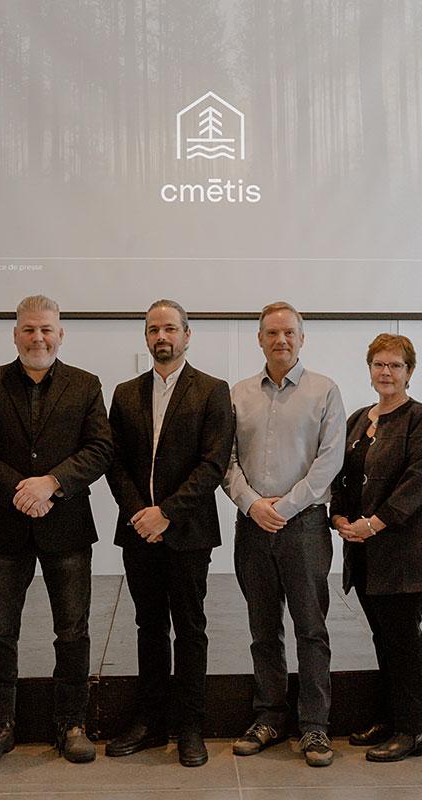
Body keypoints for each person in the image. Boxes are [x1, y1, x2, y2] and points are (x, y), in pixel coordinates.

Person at [0, 295, 112, 767]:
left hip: (65, 526)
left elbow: (100, 449)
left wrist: (52, 483)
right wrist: (19, 490)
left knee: (72, 631)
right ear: (15, 334)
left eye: (46, 329)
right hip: (6, 526)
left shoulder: (86, 385)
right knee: (0, 630)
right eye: (29, 329)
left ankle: (72, 724)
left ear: (60, 333)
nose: (38, 337)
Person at [104, 299, 235, 767]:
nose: (163, 336)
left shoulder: (213, 391)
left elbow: (213, 463)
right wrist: (142, 512)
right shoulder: (124, 393)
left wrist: (168, 514)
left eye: (171, 329)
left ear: (187, 334)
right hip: (138, 530)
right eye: (154, 329)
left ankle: (190, 726)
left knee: (190, 627)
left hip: (188, 532)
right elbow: (112, 460)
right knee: (148, 625)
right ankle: (150, 721)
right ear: (145, 336)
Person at [224, 301, 345, 767]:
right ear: (259, 339)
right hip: (252, 525)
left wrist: (286, 507)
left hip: (305, 526)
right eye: (271, 333)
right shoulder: (238, 394)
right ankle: (269, 717)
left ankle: (315, 728)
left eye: (289, 333)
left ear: (301, 338)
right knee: (262, 628)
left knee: (310, 628)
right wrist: (253, 505)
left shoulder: (324, 391)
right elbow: (226, 461)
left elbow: (329, 461)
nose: (280, 340)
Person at [331, 333, 422, 763]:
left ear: (410, 372)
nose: (386, 373)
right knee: (382, 636)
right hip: (364, 549)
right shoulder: (358, 418)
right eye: (379, 364)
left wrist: (374, 524)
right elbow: (343, 475)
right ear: (369, 369)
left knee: (402, 638)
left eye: (395, 366)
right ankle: (391, 717)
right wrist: (340, 517)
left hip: (403, 550)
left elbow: (418, 483)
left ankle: (413, 729)